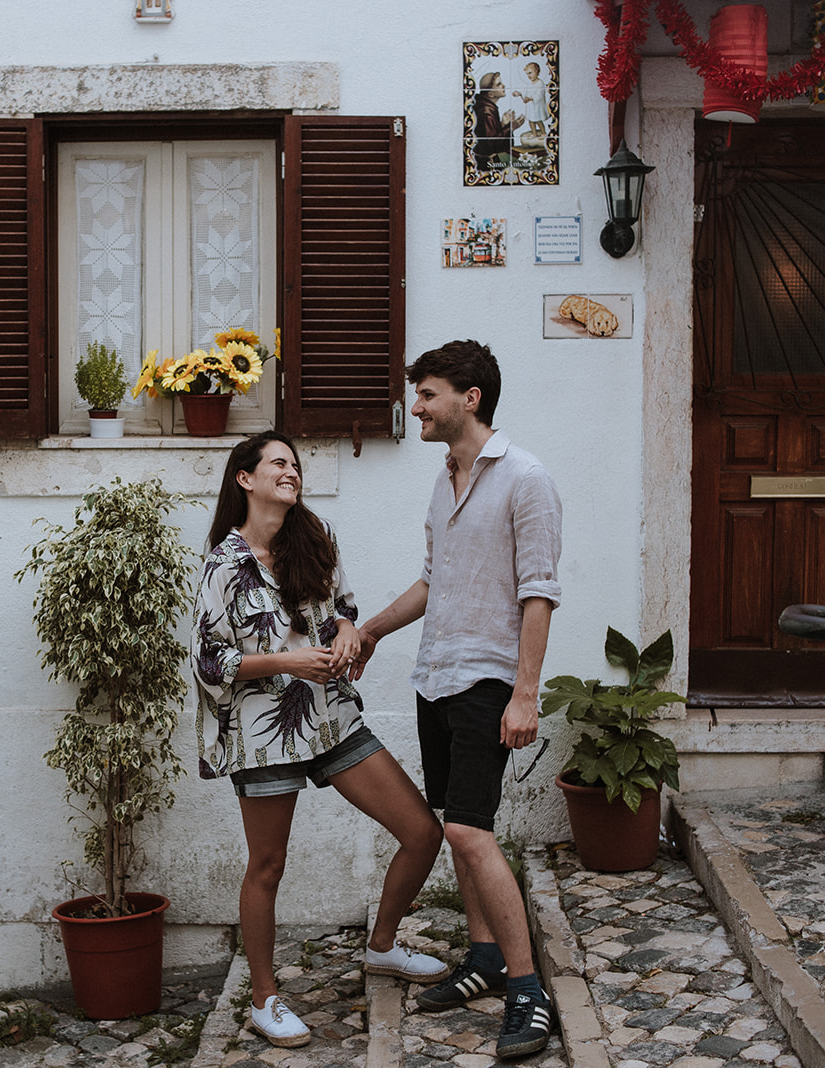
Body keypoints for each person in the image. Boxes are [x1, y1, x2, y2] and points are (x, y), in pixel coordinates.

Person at [194, 431, 449, 1050]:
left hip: (331, 716)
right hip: (262, 731)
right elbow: (208, 660)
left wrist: (346, 632)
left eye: (295, 464)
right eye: (277, 463)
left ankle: (382, 946)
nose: (291, 471)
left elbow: (342, 610)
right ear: (245, 479)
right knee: (268, 865)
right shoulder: (224, 564)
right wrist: (287, 662)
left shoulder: (316, 535)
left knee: (422, 832)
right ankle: (264, 998)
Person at [352, 341, 563, 1059]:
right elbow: (432, 579)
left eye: (427, 394)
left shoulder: (525, 478)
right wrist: (373, 630)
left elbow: (539, 593)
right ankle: (485, 957)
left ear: (470, 398)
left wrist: (525, 695)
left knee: (471, 832)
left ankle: (528, 990)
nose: (415, 407)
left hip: (488, 682)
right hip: (436, 675)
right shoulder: (445, 479)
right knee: (455, 825)